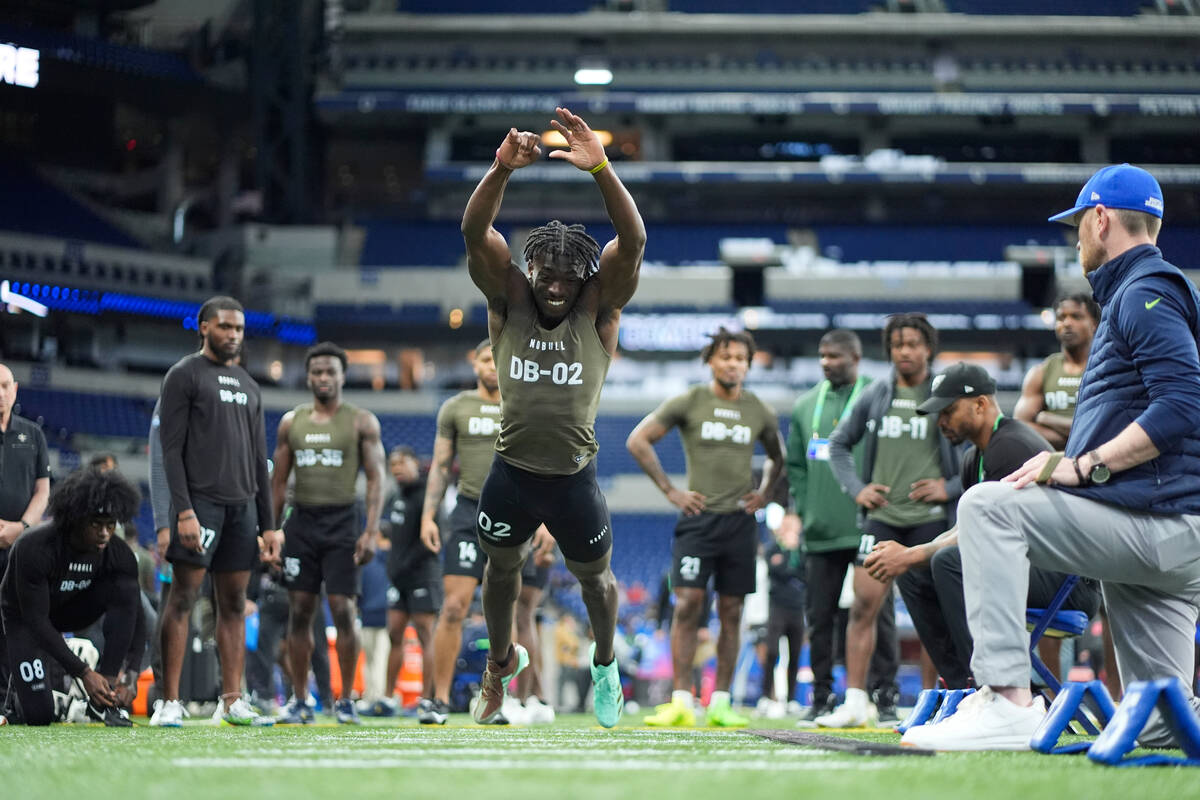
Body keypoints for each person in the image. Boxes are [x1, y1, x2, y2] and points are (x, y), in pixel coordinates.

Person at [902, 164, 1200, 751]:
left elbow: (1184, 403)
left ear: (1100, 218)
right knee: (1169, 720)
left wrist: (1083, 466)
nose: (1079, 242)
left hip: (1154, 523)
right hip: (1163, 529)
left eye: (1079, 229)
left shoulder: (1144, 293)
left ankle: (1009, 699)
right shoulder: (1142, 291)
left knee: (988, 506)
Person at [461, 106, 645, 728]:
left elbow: (634, 240)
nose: (557, 284)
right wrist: (499, 171)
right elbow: (475, 230)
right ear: (531, 269)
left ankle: (605, 665)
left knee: (598, 585)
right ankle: (498, 670)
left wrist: (600, 167)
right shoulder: (507, 299)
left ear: (585, 276)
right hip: (511, 472)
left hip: (573, 478)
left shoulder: (600, 310)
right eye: (547, 272)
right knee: (499, 575)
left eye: (571, 274)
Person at [863, 362, 1100, 688]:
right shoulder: (973, 457)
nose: (941, 421)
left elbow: (981, 534)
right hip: (1029, 567)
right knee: (918, 573)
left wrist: (911, 553)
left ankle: (997, 686)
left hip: (1068, 581)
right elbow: (966, 528)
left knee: (948, 562)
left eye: (948, 410)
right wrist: (910, 557)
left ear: (980, 404)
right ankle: (964, 684)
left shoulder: (1012, 445)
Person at [627, 327, 785, 728]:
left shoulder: (758, 410)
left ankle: (720, 702)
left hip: (739, 523)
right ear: (711, 360)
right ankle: (681, 700)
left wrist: (764, 493)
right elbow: (638, 440)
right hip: (698, 521)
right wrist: (670, 490)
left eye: (741, 359)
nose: (733, 364)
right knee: (686, 605)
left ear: (749, 365)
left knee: (732, 612)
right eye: (726, 356)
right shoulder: (690, 400)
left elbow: (779, 457)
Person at [824, 312, 962, 728]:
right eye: (898, 344)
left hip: (930, 521)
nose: (905, 351)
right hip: (882, 520)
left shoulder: (945, 393)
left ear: (928, 348)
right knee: (863, 607)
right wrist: (858, 489)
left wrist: (950, 487)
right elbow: (838, 445)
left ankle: (933, 704)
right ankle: (854, 702)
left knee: (931, 615)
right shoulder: (876, 393)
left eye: (913, 344)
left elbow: (977, 452)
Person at [152, 295, 280, 727]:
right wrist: (183, 511)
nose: (233, 335)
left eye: (240, 329)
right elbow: (170, 450)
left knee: (234, 603)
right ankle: (169, 702)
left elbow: (261, 461)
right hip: (200, 506)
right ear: (204, 327)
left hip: (242, 509)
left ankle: (232, 701)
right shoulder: (183, 375)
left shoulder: (249, 385)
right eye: (225, 327)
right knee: (183, 597)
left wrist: (270, 526)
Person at [419, 340, 560, 725]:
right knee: (453, 606)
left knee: (511, 610)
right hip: (467, 513)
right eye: (485, 358)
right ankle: (438, 700)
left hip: (519, 514)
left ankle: (506, 698)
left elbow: (546, 467)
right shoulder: (455, 407)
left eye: (499, 360)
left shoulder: (525, 404)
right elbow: (441, 465)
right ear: (474, 361)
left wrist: (547, 520)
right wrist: (428, 515)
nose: (491, 366)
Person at [782, 329, 900, 727]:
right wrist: (800, 509)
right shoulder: (803, 406)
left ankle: (885, 695)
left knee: (878, 613)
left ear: (855, 358)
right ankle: (820, 695)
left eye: (834, 356)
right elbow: (795, 466)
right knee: (819, 616)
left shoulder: (879, 395)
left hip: (869, 523)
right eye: (822, 356)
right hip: (820, 528)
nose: (826, 363)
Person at [271, 342, 385, 725]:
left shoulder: (361, 421)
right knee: (300, 612)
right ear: (308, 377)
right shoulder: (292, 422)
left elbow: (375, 480)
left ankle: (346, 700)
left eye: (330, 371)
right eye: (316, 371)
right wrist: (270, 530)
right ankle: (300, 700)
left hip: (343, 524)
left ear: (342, 376)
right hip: (301, 523)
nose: (323, 377)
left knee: (342, 611)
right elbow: (278, 480)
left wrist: (370, 531)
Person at [0, 467, 144, 726]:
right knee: (39, 716)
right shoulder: (34, 547)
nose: (104, 534)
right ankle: (16, 700)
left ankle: (105, 694)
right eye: (95, 525)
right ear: (76, 519)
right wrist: (84, 672)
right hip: (26, 618)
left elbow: (135, 614)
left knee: (125, 590)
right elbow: (36, 621)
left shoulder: (118, 554)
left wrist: (130, 673)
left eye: (110, 526)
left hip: (70, 610)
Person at [380, 446, 440, 716]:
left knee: (426, 637)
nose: (397, 469)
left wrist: (405, 563)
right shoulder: (395, 497)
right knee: (394, 634)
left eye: (402, 463)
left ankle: (427, 698)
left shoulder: (428, 498)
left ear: (416, 463)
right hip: (398, 579)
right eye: (393, 464)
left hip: (422, 576)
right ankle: (387, 697)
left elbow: (433, 542)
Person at [1014, 293, 1100, 449]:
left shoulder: (1104, 368)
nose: (1067, 323)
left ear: (1094, 324)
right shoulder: (1041, 372)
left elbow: (1105, 429)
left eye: (1076, 317)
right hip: (1055, 465)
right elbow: (1020, 429)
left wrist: (1047, 419)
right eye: (1061, 317)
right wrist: (1077, 437)